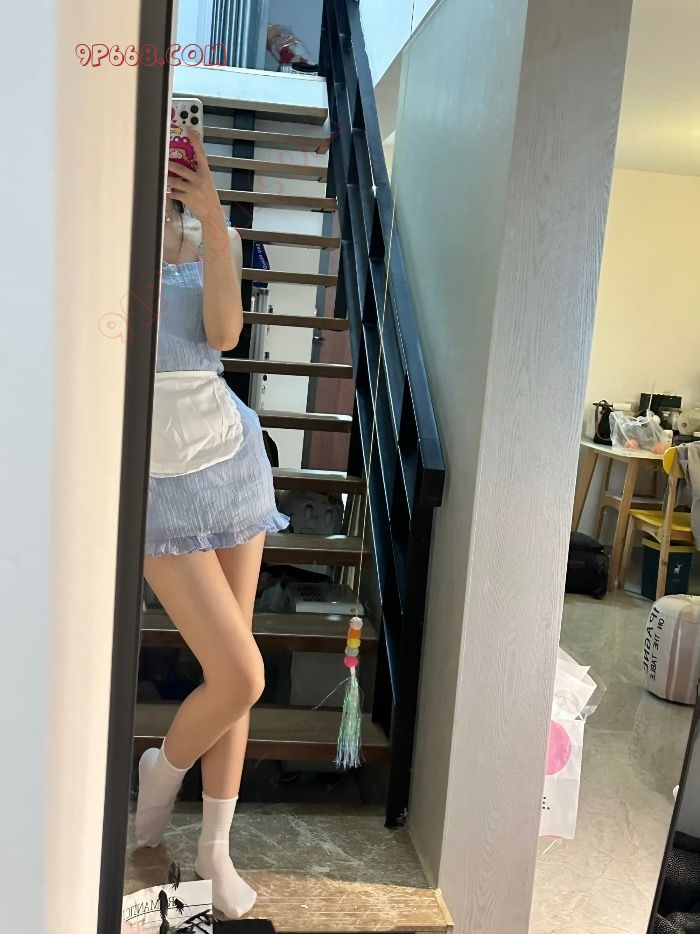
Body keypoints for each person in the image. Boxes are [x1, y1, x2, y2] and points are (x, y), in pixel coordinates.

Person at [135, 126, 289, 919]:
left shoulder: (205, 246)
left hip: (231, 469)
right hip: (154, 485)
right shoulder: (106, 247)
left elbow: (225, 336)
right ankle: (160, 773)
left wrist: (214, 220)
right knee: (239, 673)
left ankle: (214, 848)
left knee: (237, 672)